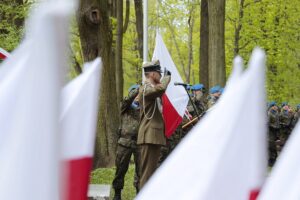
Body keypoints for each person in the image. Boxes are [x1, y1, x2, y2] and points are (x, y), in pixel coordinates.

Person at [137, 59, 171, 189]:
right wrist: (167, 77)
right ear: (151, 74)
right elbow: (161, 89)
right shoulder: (145, 89)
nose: (161, 76)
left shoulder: (151, 90)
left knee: (151, 175)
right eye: (159, 73)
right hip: (149, 135)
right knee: (147, 174)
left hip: (153, 136)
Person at [112, 84, 140, 200]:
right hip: (125, 142)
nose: (138, 96)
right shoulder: (125, 106)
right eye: (136, 93)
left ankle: (140, 192)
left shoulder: (144, 107)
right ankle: (117, 193)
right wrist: (138, 89)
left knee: (141, 170)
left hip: (139, 143)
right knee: (121, 169)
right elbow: (127, 101)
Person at [267, 101, 280, 167]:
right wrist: (274, 126)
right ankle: (270, 162)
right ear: (272, 107)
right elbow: (267, 123)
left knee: (274, 147)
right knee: (271, 146)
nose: (276, 107)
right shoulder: (269, 113)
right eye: (274, 106)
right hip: (271, 132)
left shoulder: (276, 113)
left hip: (275, 132)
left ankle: (274, 161)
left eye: (276, 106)